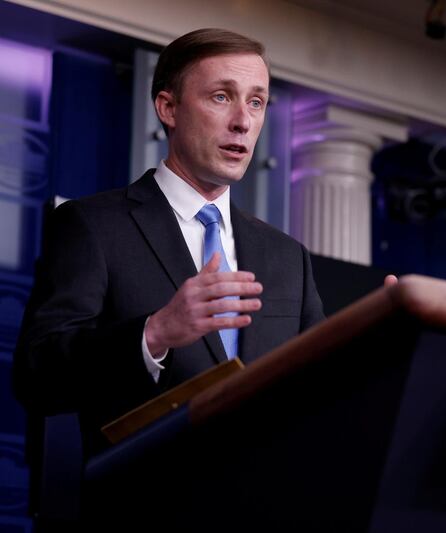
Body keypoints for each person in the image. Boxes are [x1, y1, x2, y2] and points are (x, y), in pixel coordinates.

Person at [13, 28, 326, 457]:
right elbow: (37, 376)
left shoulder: (289, 257)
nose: (243, 120)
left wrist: (382, 344)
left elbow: (322, 387)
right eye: (221, 96)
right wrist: (154, 333)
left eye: (256, 102)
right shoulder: (93, 226)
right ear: (168, 108)